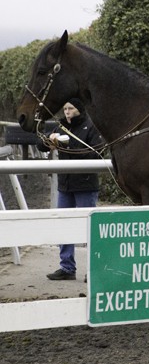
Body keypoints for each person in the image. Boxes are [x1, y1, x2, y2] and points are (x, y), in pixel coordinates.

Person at [37, 98, 103, 281]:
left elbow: (97, 152)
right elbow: (40, 145)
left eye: (71, 108)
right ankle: (67, 267)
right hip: (65, 185)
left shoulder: (91, 127)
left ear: (79, 109)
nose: (67, 112)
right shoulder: (60, 127)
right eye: (65, 108)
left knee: (88, 228)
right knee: (63, 225)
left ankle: (94, 269)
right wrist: (48, 142)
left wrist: (68, 145)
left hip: (85, 185)